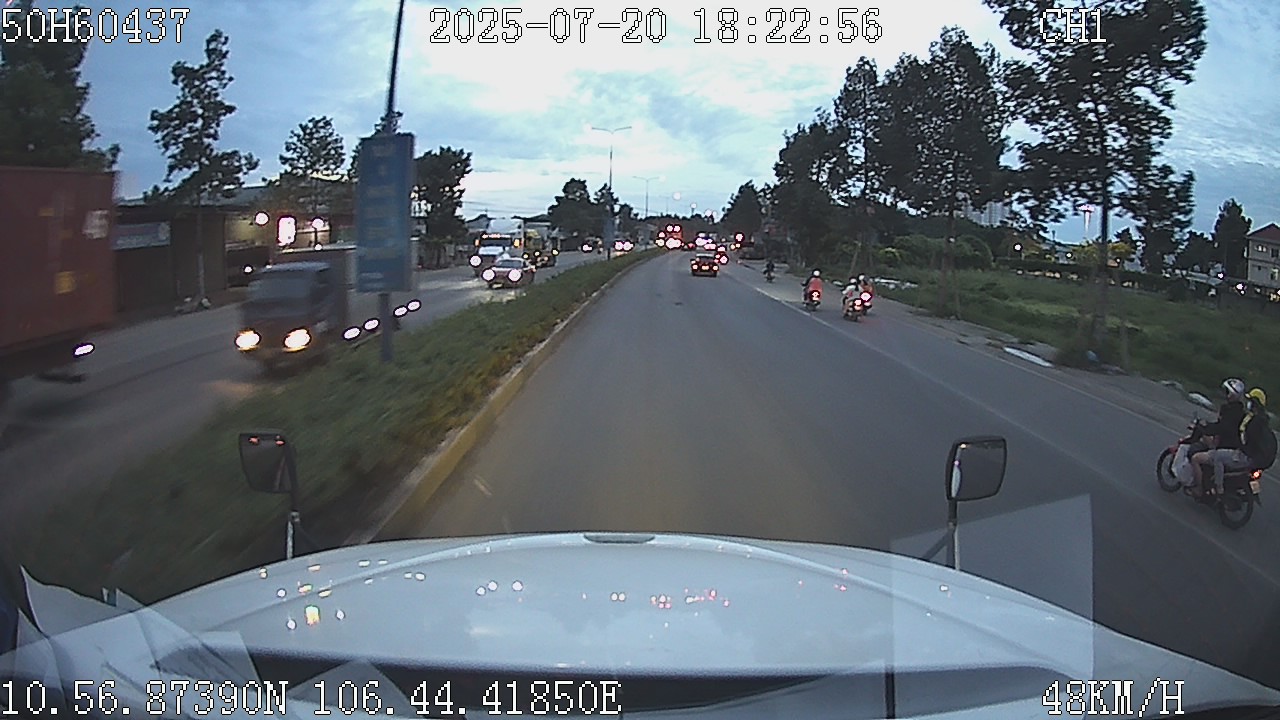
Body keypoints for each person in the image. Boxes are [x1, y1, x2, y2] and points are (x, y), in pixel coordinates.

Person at [1200, 387, 1271, 496]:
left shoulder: (1255, 421)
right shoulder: (1261, 420)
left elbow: (1246, 439)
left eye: (1250, 401)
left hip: (1246, 455)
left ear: (1254, 403)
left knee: (1218, 456)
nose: (1248, 403)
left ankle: (1219, 489)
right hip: (1253, 457)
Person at [1184, 378, 1247, 490]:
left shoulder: (1228, 410)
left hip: (1224, 446)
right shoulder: (1241, 412)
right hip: (1234, 446)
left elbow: (1220, 428)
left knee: (1195, 459)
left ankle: (1199, 489)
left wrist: (1205, 427)